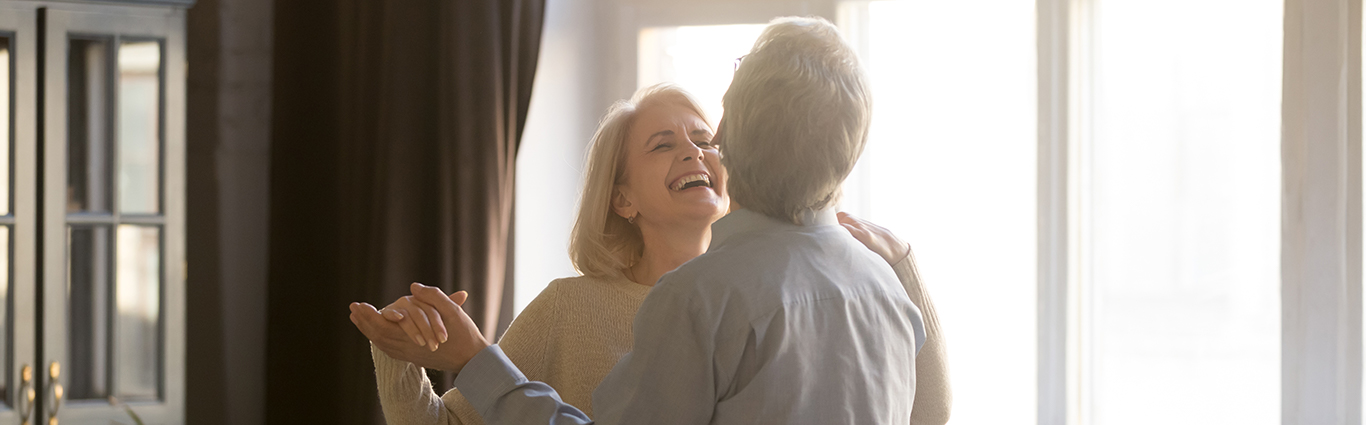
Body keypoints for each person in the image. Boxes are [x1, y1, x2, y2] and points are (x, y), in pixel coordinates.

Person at [350, 16, 948, 425]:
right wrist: (405, 354)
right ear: (621, 199)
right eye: (663, 144)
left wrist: (477, 359)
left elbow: (931, 409)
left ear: (734, 152)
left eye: (705, 137)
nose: (697, 152)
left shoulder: (703, 297)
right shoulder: (571, 307)